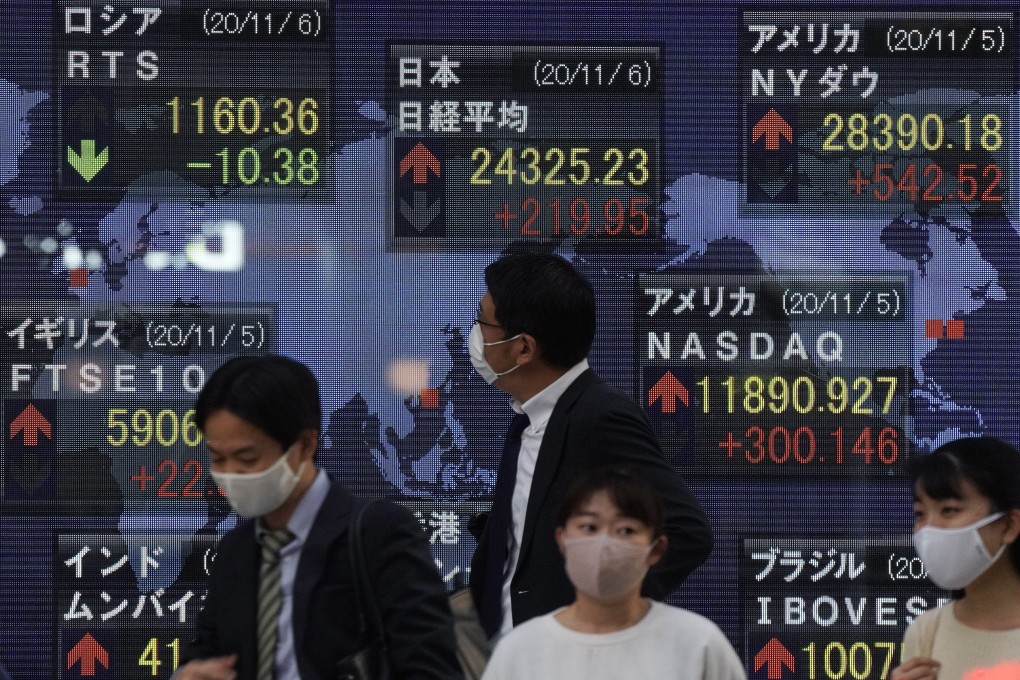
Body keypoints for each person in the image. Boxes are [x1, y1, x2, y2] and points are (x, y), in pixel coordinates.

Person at [468, 252, 713, 639]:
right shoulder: (527, 419)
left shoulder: (600, 416)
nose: (476, 335)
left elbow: (688, 533)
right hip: (509, 652)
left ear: (524, 348)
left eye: (482, 322)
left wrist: (599, 616)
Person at [177, 355, 463, 680]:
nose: (231, 474)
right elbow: (206, 652)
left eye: (247, 458)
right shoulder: (235, 550)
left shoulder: (377, 533)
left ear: (305, 444)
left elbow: (430, 667)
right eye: (218, 458)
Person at [480, 467, 745, 679]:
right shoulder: (520, 650)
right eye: (589, 527)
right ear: (561, 539)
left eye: (626, 530)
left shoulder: (698, 644)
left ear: (656, 548)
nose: (604, 544)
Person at [892, 436, 1020, 680]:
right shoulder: (926, 631)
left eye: (949, 510)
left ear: (1008, 526)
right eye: (920, 514)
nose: (929, 528)